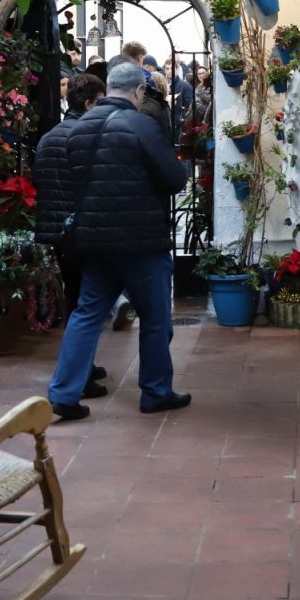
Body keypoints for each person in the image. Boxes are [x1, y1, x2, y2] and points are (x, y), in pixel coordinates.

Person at [46, 62, 191, 421]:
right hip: (141, 241)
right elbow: (173, 179)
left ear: (108, 88)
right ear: (139, 92)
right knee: (156, 318)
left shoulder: (77, 130)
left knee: (87, 314)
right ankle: (156, 392)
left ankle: (64, 392)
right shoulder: (143, 125)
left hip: (94, 241)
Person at [34, 73, 108, 396]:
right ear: (90, 102)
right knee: (86, 305)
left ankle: (85, 367)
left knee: (75, 297)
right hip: (82, 230)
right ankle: (81, 378)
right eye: (101, 102)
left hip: (57, 231)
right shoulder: (87, 135)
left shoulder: (50, 136)